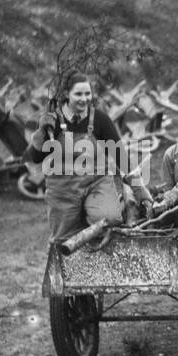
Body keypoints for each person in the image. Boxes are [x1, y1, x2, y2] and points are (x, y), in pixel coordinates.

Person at [24, 71, 126, 242]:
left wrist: (138, 188)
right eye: (78, 94)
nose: (84, 99)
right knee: (63, 240)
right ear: (66, 94)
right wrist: (41, 132)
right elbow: (35, 157)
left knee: (109, 218)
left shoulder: (100, 119)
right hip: (63, 189)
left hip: (96, 183)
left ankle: (88, 218)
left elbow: (119, 154)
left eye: (87, 94)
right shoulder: (52, 120)